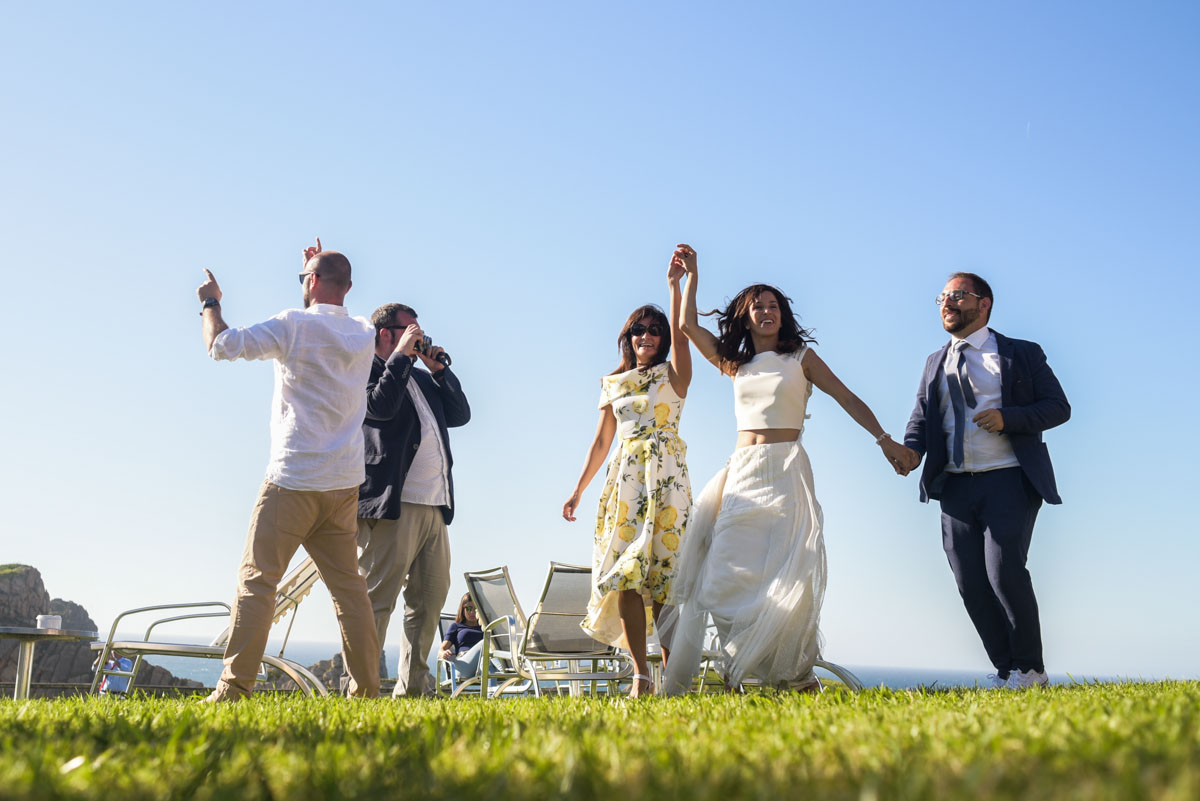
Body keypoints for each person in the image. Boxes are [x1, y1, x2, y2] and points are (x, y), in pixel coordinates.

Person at [660, 244, 914, 694]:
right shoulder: (734, 363)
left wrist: (884, 440)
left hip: (785, 472)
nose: (767, 312)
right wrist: (683, 280)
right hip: (741, 473)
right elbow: (685, 326)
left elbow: (848, 398)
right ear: (745, 317)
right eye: (758, 307)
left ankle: (796, 678)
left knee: (783, 577)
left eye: (773, 305)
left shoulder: (801, 360)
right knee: (720, 576)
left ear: (784, 314)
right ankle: (743, 665)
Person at [196, 238, 380, 701]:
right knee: (350, 593)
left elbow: (221, 345)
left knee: (257, 584)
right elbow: (327, 313)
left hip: (292, 479)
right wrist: (312, 275)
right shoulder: (362, 333)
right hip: (342, 484)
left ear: (312, 282)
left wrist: (210, 303)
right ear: (350, 286)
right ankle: (367, 690)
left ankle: (234, 688)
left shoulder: (291, 324)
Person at [901, 273, 1069, 689]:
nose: (947, 303)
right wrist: (909, 451)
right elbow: (922, 419)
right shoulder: (934, 362)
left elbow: (1058, 407)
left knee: (1004, 572)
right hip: (955, 485)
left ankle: (1031, 669)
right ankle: (1007, 670)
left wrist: (1008, 418)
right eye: (942, 297)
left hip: (1009, 478)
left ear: (984, 304)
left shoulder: (1020, 354)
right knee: (970, 582)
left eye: (957, 296)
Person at [563, 256, 692, 698]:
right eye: (640, 329)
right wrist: (578, 490)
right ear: (628, 337)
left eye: (655, 330)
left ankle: (675, 675)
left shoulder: (674, 374)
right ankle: (641, 674)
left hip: (667, 478)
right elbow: (600, 442)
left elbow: (682, 333)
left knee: (668, 576)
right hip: (624, 481)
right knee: (626, 575)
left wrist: (675, 287)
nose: (647, 336)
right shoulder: (612, 384)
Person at [355, 302, 471, 697]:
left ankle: (416, 688)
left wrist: (440, 370)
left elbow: (460, 414)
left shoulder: (421, 378)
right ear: (387, 333)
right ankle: (364, 687)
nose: (420, 339)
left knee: (428, 603)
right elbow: (380, 409)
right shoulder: (362, 370)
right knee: (377, 602)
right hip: (393, 506)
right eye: (411, 332)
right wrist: (402, 358)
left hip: (435, 507)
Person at [437, 593, 487, 679]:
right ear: (462, 610)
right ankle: (505, 669)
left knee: (488, 663)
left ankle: (490, 692)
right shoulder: (456, 626)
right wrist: (444, 653)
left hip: (481, 664)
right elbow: (441, 650)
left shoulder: (485, 626)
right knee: (487, 642)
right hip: (463, 665)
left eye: (475, 609)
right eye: (468, 608)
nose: (472, 612)